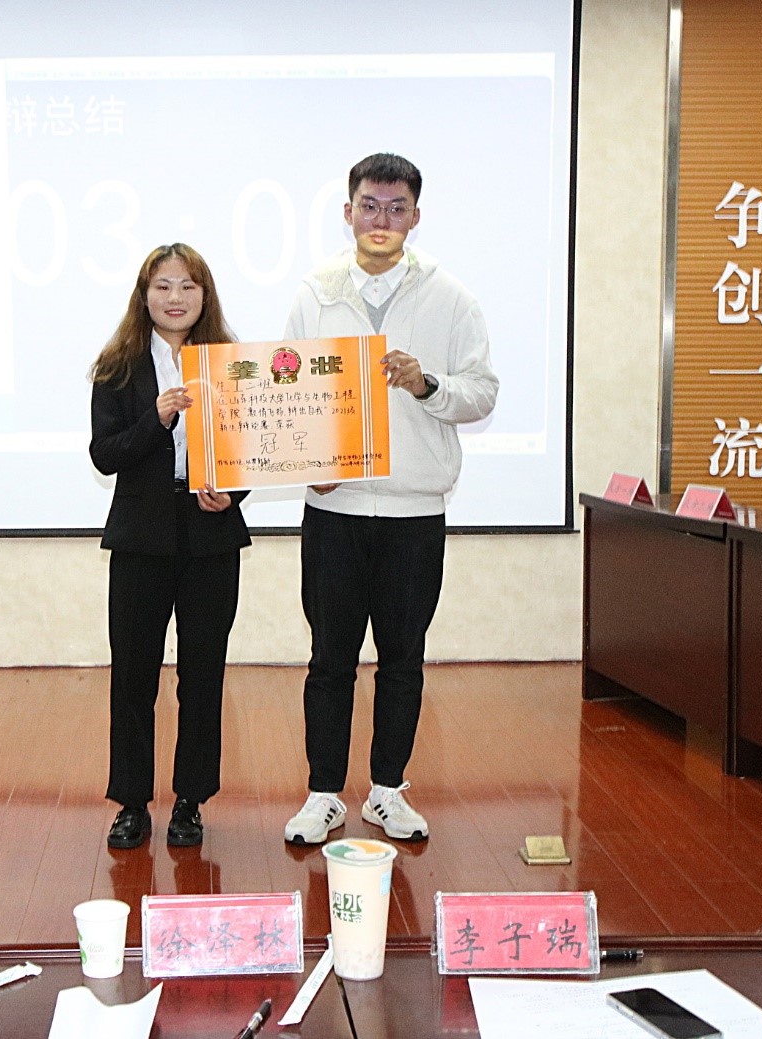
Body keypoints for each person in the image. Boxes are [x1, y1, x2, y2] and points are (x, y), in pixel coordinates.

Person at [283, 154, 498, 845]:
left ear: (416, 216)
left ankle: (386, 791)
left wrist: (427, 384)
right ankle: (323, 794)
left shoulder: (451, 297)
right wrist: (308, 463)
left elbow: (482, 392)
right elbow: (288, 394)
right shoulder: (315, 293)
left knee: (403, 658)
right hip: (335, 511)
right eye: (370, 206)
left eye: (396, 207)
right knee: (329, 658)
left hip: (414, 514)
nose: (382, 219)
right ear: (348, 212)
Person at [90, 243, 250, 849]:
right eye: (162, 286)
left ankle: (191, 800)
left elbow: (254, 447)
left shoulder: (233, 364)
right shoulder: (118, 366)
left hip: (211, 537)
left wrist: (232, 494)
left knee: (202, 675)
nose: (175, 298)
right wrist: (155, 420)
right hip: (141, 536)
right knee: (133, 675)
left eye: (187, 286)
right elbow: (105, 455)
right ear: (144, 295)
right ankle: (132, 802)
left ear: (205, 295)